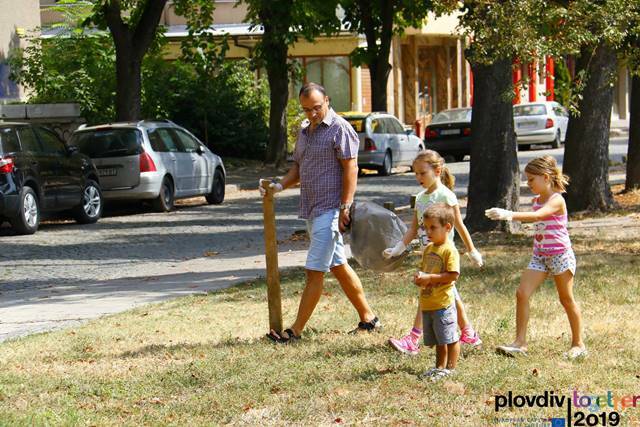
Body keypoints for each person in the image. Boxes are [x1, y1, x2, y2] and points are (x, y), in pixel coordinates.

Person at [260, 82, 380, 343]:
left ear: (327, 100)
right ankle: (368, 318)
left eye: (316, 107)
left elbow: (351, 168)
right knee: (338, 266)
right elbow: (298, 168)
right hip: (312, 209)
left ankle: (295, 331)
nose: (312, 114)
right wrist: (278, 186)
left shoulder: (340, 128)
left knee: (314, 271)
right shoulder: (305, 131)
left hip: (331, 210)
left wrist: (345, 206)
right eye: (306, 109)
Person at [486, 155, 587, 359]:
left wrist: (509, 214)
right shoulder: (536, 201)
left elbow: (539, 216)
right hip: (540, 256)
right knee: (522, 293)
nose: (528, 183)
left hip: (560, 256)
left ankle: (579, 345)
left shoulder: (556, 199)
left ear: (546, 177)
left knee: (566, 299)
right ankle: (520, 343)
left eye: (531, 179)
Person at [383, 150, 483, 355]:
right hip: (428, 255)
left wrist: (472, 250)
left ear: (437, 171)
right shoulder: (420, 198)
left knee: (427, 292)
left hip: (444, 255)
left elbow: (459, 225)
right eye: (416, 173)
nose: (418, 177)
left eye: (422, 173)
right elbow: (413, 229)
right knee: (449, 295)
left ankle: (413, 339)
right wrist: (397, 249)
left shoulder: (446, 196)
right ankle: (469, 334)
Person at [414, 203, 461, 381]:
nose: (428, 232)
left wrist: (430, 278)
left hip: (443, 303)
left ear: (447, 227)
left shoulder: (449, 250)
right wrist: (419, 277)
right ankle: (439, 367)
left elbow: (453, 275)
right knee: (439, 340)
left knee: (450, 337)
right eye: (426, 228)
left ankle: (451, 368)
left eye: (433, 227)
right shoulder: (429, 248)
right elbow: (424, 269)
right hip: (429, 303)